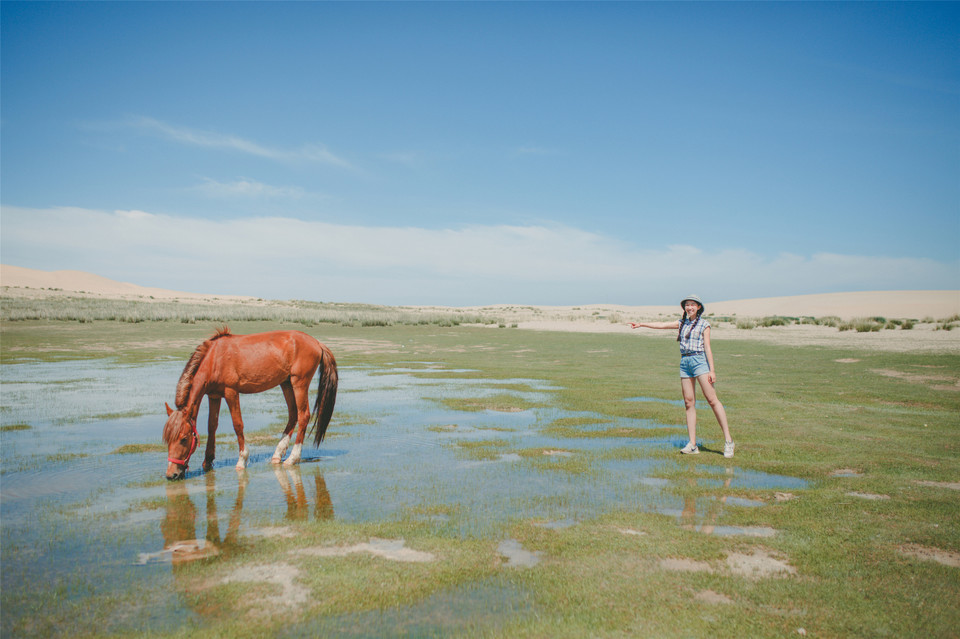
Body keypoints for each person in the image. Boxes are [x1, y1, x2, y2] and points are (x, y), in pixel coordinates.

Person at [628, 295, 734, 458]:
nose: (689, 307)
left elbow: (707, 348)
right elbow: (662, 325)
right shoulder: (682, 323)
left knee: (712, 400)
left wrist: (712, 370)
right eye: (687, 305)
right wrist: (641, 324)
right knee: (688, 402)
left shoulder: (705, 324)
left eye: (692, 304)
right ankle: (692, 444)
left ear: (698, 307)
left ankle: (728, 441)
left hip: (699, 361)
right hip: (685, 362)